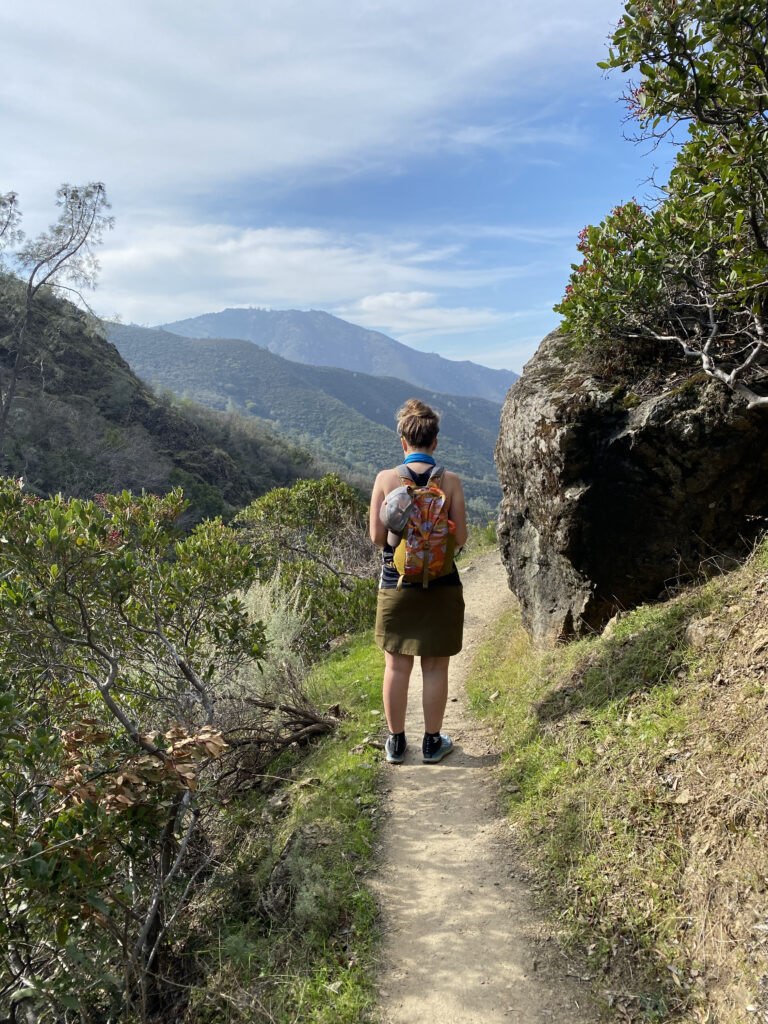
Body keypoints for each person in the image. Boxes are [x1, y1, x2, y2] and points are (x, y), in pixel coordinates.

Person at [369, 398, 468, 765]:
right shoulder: (451, 481)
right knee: (435, 666)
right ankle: (431, 743)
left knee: (396, 666)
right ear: (435, 442)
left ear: (403, 442)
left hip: (396, 584)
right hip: (442, 583)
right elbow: (461, 539)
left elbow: (378, 538)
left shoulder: (385, 479)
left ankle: (396, 744)